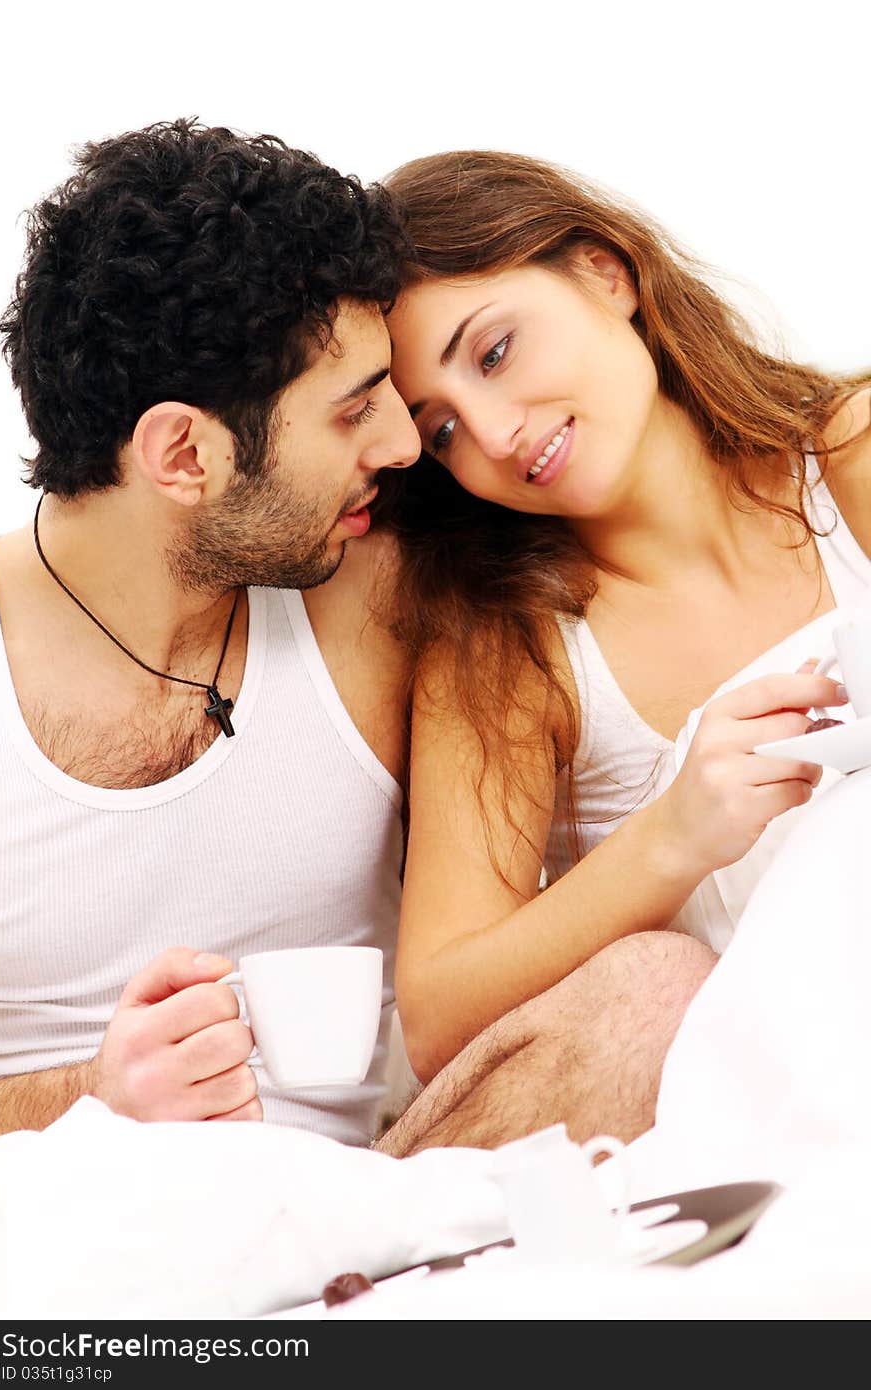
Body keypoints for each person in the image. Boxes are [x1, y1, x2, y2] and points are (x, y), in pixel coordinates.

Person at [0, 120, 714, 1156]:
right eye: (353, 410)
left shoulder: (381, 588)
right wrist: (94, 1093)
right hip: (75, 1230)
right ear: (183, 452)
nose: (404, 442)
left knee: (654, 994)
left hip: (383, 1203)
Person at [378, 148, 870, 1087]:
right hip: (765, 1093)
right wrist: (673, 837)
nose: (491, 434)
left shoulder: (851, 461)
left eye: (493, 352)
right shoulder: (510, 650)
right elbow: (437, 1020)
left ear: (606, 274)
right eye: (438, 429)